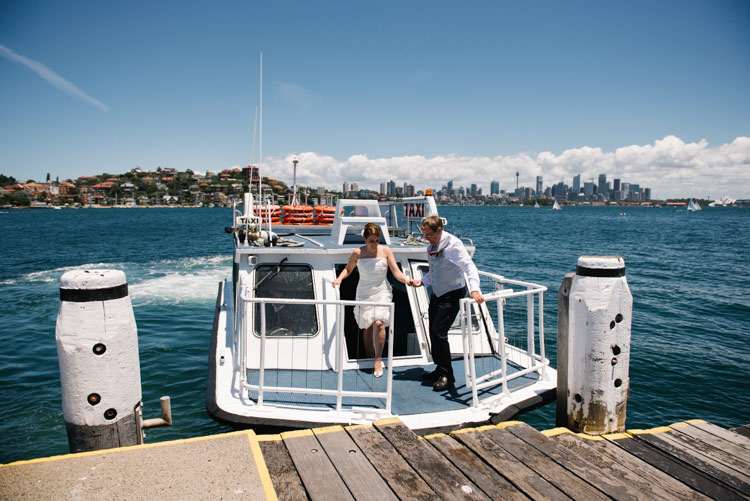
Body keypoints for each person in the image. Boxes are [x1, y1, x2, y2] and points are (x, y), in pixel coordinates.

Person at [411, 215, 484, 391]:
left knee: (439, 332)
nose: (426, 238)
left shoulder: (453, 245)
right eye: (425, 234)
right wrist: (422, 282)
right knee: (432, 331)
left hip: (452, 293)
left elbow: (469, 267)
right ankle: (439, 368)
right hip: (438, 293)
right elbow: (435, 271)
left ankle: (447, 376)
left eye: (430, 234)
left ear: (440, 230)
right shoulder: (432, 245)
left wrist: (474, 289)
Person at [333, 222, 412, 377]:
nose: (375, 244)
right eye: (371, 241)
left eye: (377, 240)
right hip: (364, 292)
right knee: (367, 327)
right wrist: (339, 280)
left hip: (382, 291)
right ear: (364, 239)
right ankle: (368, 357)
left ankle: (377, 359)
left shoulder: (386, 251)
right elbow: (348, 269)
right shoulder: (357, 252)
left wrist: (407, 281)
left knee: (379, 324)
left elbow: (396, 272)